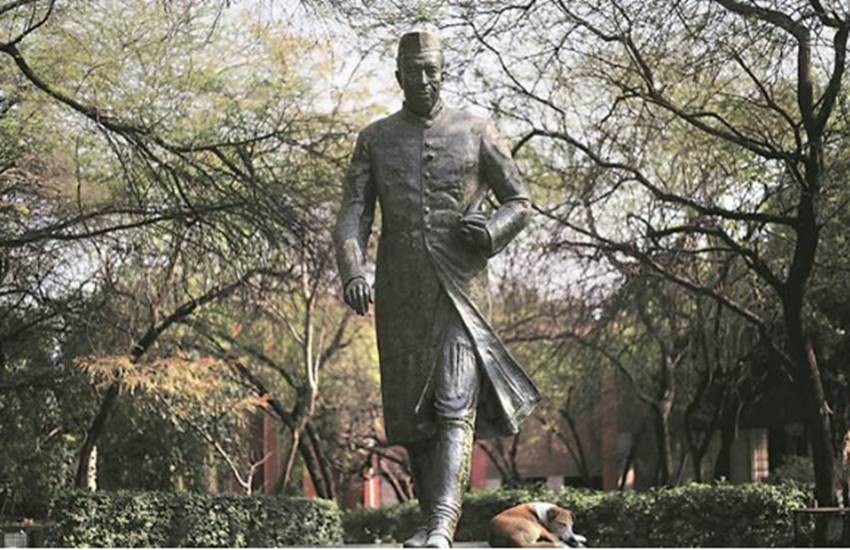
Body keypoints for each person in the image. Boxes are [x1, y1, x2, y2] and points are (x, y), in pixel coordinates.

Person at [333, 30, 540, 548]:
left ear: (443, 73)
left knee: (453, 403)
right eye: (414, 70)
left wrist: (490, 233)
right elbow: (353, 214)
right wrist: (354, 271)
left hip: (460, 289)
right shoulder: (375, 139)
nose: (424, 79)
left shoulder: (476, 129)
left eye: (432, 70)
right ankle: (430, 524)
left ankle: (443, 525)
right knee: (414, 416)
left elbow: (519, 201)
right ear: (398, 75)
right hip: (401, 293)